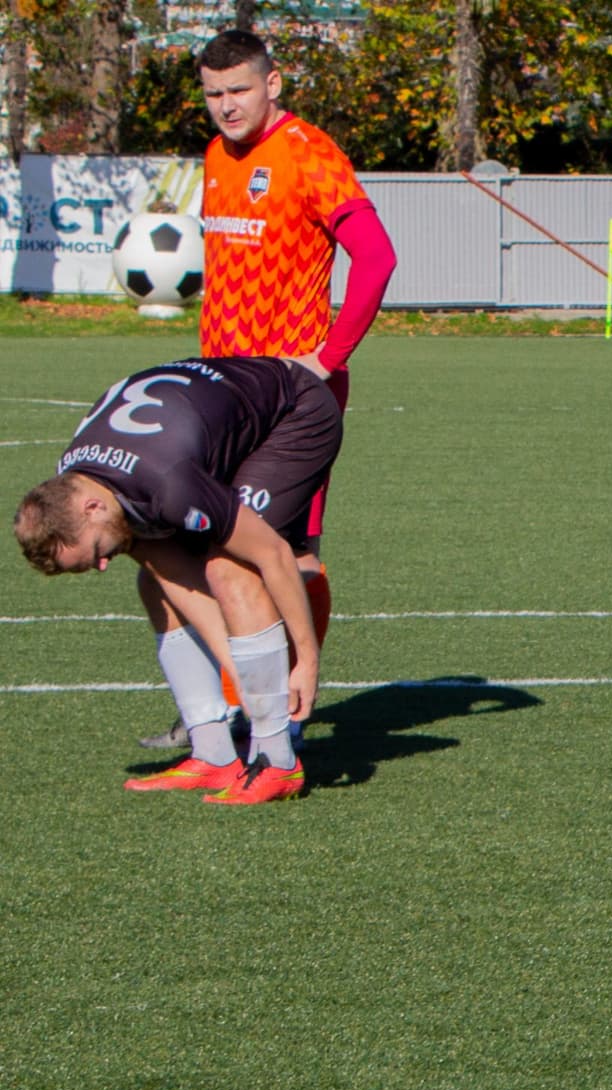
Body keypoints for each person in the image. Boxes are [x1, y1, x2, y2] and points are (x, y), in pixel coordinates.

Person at [138, 28, 397, 752]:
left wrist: (328, 356)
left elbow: (376, 259)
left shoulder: (308, 153)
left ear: (273, 84)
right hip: (220, 392)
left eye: (239, 90)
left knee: (284, 554)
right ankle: (227, 712)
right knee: (196, 549)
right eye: (214, 94)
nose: (226, 106)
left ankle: (285, 708)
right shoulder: (219, 154)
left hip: (288, 398)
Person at [14, 356, 343, 805]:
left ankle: (277, 761)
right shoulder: (79, 484)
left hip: (294, 413)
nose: (104, 565)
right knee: (154, 582)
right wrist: (236, 668)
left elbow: (275, 555)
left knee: (231, 568)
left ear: (90, 508)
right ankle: (213, 754)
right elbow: (168, 569)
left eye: (95, 555)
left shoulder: (166, 483)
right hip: (207, 424)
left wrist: (304, 661)